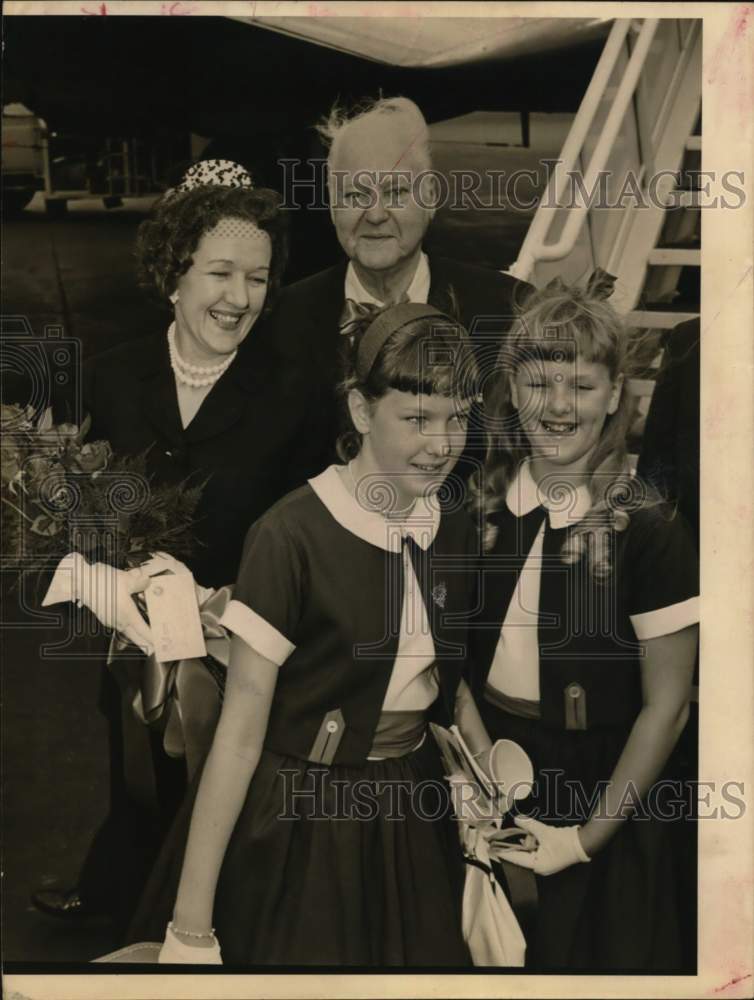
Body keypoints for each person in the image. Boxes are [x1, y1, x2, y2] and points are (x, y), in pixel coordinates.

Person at [126, 302, 504, 966]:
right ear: (361, 411)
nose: (442, 445)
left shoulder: (453, 523)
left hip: (413, 810)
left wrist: (481, 777)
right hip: (302, 819)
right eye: (416, 418)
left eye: (457, 418)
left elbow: (443, 680)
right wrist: (190, 925)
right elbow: (239, 736)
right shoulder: (290, 535)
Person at [32, 160, 330, 932]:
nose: (239, 299)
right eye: (220, 273)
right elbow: (57, 508)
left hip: (242, 655)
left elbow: (311, 528)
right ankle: (122, 913)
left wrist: (237, 605)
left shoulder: (293, 392)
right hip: (126, 645)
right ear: (173, 273)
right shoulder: (109, 378)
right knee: (133, 775)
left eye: (258, 279)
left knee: (215, 802)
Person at [467, 280, 699, 971]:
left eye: (581, 384)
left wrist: (585, 838)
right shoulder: (480, 504)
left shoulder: (646, 526)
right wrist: (482, 778)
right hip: (494, 768)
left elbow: (668, 708)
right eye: (541, 383)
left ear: (615, 392)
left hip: (607, 793)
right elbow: (451, 664)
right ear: (513, 387)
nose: (560, 406)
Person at [265, 96, 532, 482]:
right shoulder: (281, 321)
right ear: (330, 204)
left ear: (431, 198)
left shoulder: (507, 313)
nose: (374, 214)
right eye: (355, 195)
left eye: (395, 193)